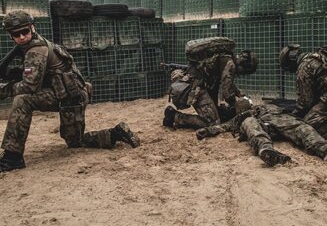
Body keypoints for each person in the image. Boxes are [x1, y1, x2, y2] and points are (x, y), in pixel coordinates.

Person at [0, 10, 140, 172]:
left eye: (24, 32)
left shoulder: (36, 50)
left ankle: (13, 157)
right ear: (10, 36)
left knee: (22, 100)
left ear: (32, 28)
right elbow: (37, 74)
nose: (22, 37)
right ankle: (116, 134)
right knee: (75, 141)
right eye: (16, 34)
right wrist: (11, 73)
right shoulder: (34, 45)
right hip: (68, 94)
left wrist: (3, 90)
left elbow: (30, 86)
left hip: (70, 98)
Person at [196, 103, 327, 167]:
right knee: (250, 125)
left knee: (300, 127)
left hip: (277, 120)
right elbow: (225, 126)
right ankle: (267, 151)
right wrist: (208, 131)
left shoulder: (269, 107)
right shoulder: (244, 117)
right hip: (260, 126)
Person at [163, 37, 258, 130]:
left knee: (217, 114)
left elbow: (227, 83)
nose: (241, 73)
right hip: (196, 87)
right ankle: (174, 116)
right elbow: (227, 92)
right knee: (212, 123)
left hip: (198, 85)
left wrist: (240, 94)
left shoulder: (226, 57)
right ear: (244, 67)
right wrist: (236, 105)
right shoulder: (230, 64)